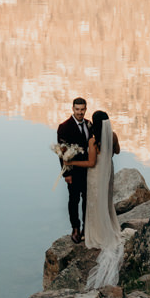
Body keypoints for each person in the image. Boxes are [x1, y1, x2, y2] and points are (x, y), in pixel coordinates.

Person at [68, 109, 124, 288]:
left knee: (94, 203)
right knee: (106, 201)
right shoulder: (112, 135)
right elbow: (117, 151)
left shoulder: (93, 140)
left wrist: (72, 162)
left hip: (95, 175)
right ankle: (108, 225)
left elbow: (91, 163)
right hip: (108, 172)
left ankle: (98, 231)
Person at [57, 96, 91, 243]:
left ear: (85, 109)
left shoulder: (89, 124)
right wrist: (67, 174)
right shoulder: (64, 127)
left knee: (87, 200)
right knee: (73, 200)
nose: (80, 112)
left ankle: (86, 227)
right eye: (77, 109)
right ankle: (75, 228)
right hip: (73, 172)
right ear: (72, 109)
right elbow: (62, 154)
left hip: (89, 170)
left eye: (82, 109)